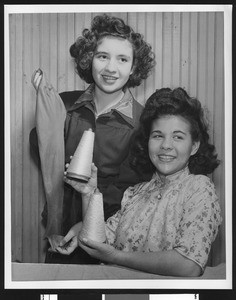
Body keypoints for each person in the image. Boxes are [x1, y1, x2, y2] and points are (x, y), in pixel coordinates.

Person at [56, 87, 222, 277]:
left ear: (194, 146)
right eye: (158, 135)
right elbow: (95, 243)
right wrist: (88, 194)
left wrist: (116, 257)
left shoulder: (199, 188)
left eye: (178, 137)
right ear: (148, 142)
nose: (166, 145)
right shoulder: (135, 192)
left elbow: (188, 265)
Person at [30, 14, 156, 263]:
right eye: (102, 56)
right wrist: (46, 107)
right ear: (89, 59)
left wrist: (86, 223)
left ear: (133, 67)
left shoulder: (144, 123)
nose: (111, 68)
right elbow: (44, 154)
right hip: (61, 234)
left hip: (112, 237)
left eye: (122, 59)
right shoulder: (63, 105)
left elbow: (133, 191)